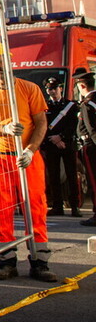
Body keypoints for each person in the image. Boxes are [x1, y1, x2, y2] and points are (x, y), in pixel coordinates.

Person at [0, 42, 54, 282]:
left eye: (1, 61)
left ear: (10, 62)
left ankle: (40, 262)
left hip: (27, 158)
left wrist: (30, 150)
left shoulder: (29, 88)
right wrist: (4, 129)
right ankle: (6, 261)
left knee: (36, 207)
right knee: (1, 210)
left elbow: (41, 123)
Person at [42, 77, 80, 217]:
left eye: (54, 88)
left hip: (67, 144)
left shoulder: (70, 105)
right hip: (51, 144)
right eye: (49, 89)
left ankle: (75, 206)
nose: (52, 91)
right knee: (54, 176)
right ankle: (57, 205)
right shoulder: (45, 106)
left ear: (60, 89)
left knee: (71, 176)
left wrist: (62, 137)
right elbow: (43, 125)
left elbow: (73, 125)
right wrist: (54, 139)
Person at [75, 72, 96, 226]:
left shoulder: (87, 104)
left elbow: (91, 129)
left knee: (94, 181)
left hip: (92, 147)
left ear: (82, 86)